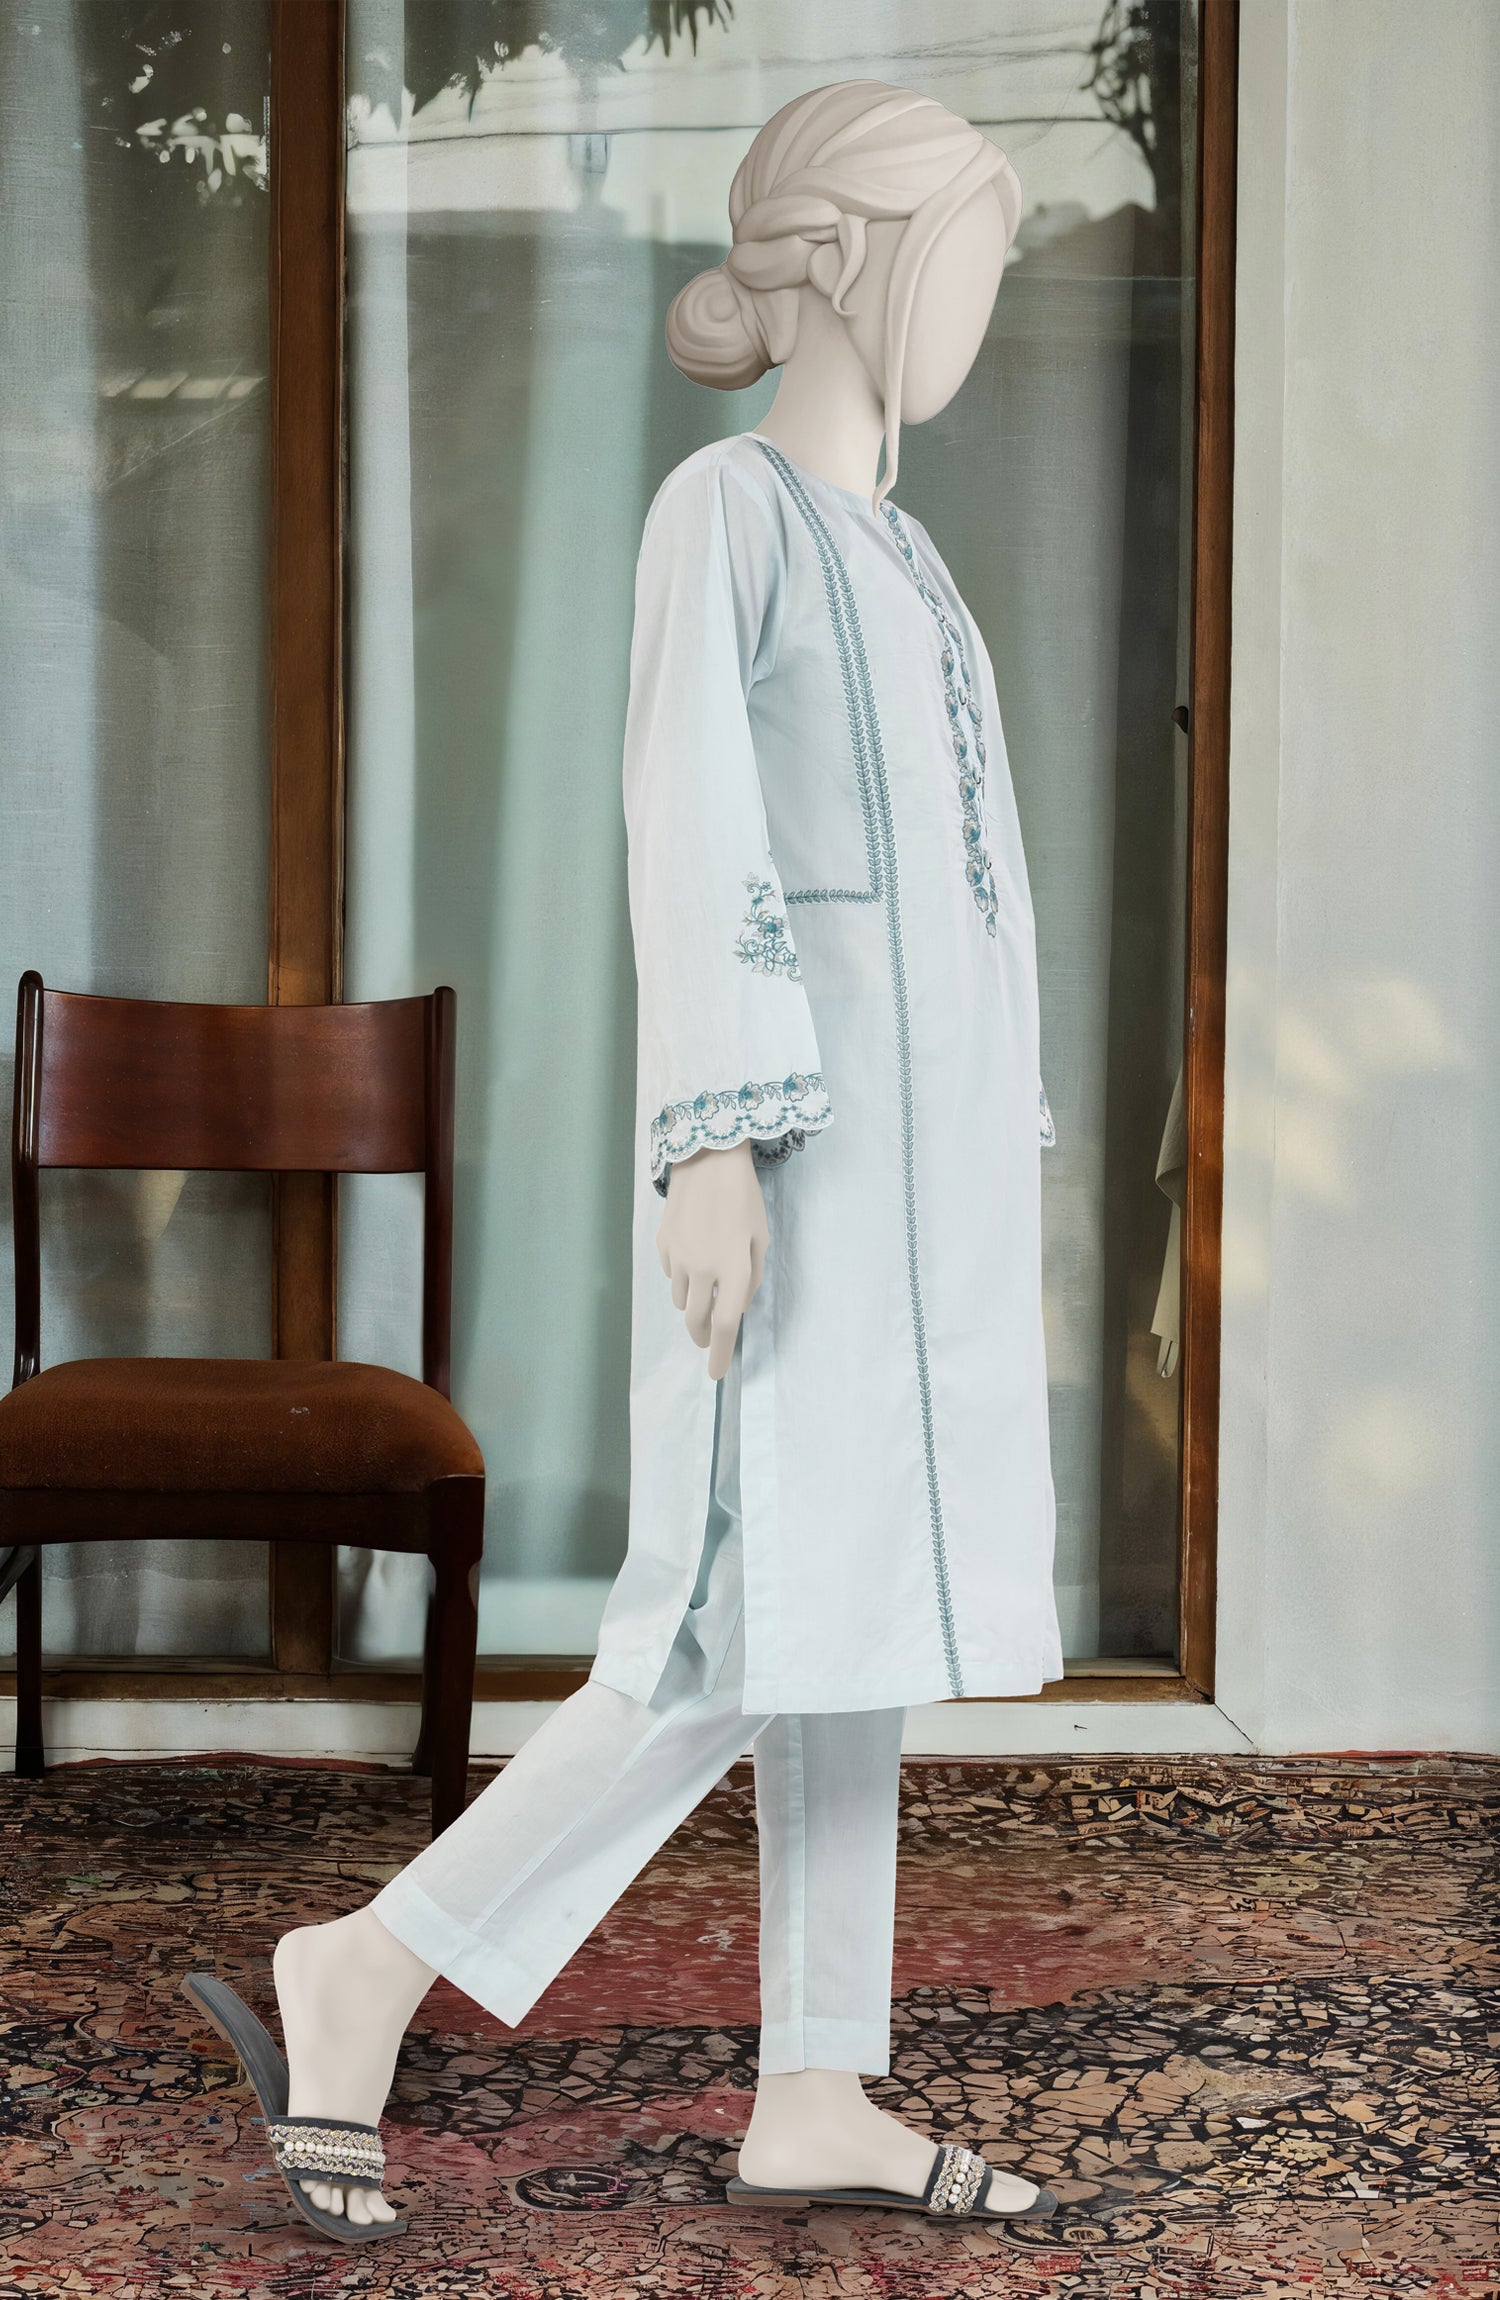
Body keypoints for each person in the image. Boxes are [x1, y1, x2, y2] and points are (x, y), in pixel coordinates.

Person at [186, 77, 1062, 2244]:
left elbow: (971, 908)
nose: (987, 298)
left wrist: (999, 1152)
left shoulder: (919, 562)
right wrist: (713, 1145)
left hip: (925, 1193)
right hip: (795, 1173)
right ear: (847, 257)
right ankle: (366, 1965)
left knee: (848, 1631)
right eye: (966, 253)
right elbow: (690, 824)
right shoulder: (724, 509)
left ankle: (817, 2085)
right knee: (718, 1629)